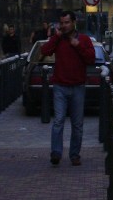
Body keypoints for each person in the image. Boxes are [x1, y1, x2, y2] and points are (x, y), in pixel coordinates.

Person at [41, 10, 95, 166]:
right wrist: (55, 37)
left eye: (67, 22)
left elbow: (91, 59)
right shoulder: (58, 39)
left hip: (78, 86)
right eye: (62, 23)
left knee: (77, 124)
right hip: (60, 86)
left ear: (74, 22)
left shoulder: (84, 39)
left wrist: (78, 47)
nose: (64, 26)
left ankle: (74, 154)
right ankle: (56, 153)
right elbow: (44, 51)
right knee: (58, 121)